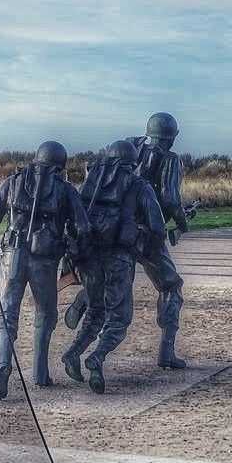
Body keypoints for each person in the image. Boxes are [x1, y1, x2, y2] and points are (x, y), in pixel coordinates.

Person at [0, 141, 89, 399]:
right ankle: (40, 373)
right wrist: (73, 255)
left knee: (6, 315)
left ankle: (3, 364)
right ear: (60, 166)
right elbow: (83, 227)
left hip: (12, 255)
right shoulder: (64, 190)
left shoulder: (12, 182)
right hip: (45, 259)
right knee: (46, 314)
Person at [61, 140, 164, 394]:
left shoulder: (92, 183)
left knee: (95, 313)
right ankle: (97, 357)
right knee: (118, 319)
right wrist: (142, 240)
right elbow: (158, 227)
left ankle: (73, 352)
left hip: (89, 258)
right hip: (119, 258)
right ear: (133, 163)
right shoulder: (139, 186)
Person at [130, 112, 189, 369]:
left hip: (120, 231)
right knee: (171, 286)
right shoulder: (170, 159)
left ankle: (84, 299)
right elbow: (171, 199)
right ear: (172, 137)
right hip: (149, 235)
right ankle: (166, 352)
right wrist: (183, 223)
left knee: (112, 278)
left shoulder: (133, 149)